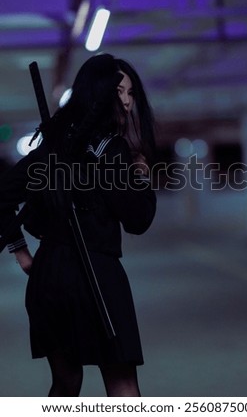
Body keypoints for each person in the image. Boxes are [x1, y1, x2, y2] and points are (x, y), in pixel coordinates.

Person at [0, 53, 156, 397]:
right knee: (123, 385)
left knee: (66, 383)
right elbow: (138, 220)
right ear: (99, 93)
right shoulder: (111, 149)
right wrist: (142, 178)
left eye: (131, 93)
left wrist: (22, 252)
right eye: (119, 92)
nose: (128, 102)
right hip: (97, 274)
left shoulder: (51, 149)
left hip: (48, 277)